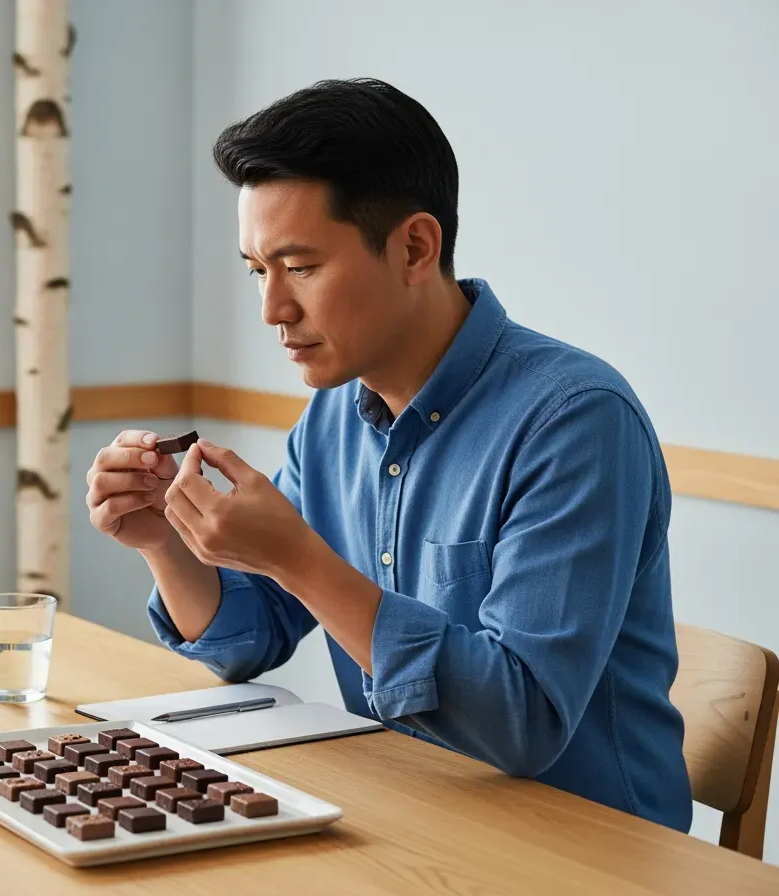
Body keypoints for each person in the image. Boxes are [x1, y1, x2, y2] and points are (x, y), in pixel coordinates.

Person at [85, 78, 691, 830]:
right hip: (414, 824)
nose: (272, 309)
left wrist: (300, 558)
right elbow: (252, 636)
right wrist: (167, 543)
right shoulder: (334, 415)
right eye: (257, 270)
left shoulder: (575, 420)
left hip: (596, 854)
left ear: (414, 247)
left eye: (300, 267)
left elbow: (523, 722)